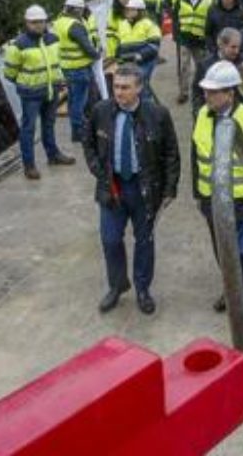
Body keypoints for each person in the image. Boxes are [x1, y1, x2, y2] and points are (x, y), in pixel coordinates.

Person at [81, 63, 179, 315]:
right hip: (112, 188)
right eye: (116, 86)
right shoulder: (101, 111)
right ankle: (117, 285)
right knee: (110, 239)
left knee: (144, 241)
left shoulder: (158, 114)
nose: (119, 92)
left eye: (125, 87)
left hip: (144, 189)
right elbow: (88, 140)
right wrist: (97, 169)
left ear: (139, 88)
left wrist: (169, 189)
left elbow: (171, 154)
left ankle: (143, 289)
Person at [190, 61, 243, 313]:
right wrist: (198, 193)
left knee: (238, 255)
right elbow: (196, 155)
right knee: (221, 251)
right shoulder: (202, 115)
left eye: (213, 92)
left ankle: (240, 302)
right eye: (205, 91)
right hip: (210, 199)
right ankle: (231, 291)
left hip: (240, 202)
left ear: (230, 93)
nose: (207, 96)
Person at [3, 5, 75, 179]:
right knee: (28, 129)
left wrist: (59, 81)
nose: (38, 25)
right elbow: (10, 73)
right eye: (34, 22)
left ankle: (53, 155)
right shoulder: (18, 45)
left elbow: (57, 63)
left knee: (49, 124)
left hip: (51, 90)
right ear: (27, 23)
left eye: (41, 22)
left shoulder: (53, 40)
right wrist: (27, 83)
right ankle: (29, 165)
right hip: (30, 95)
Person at [53, 0, 101, 142]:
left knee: (73, 100)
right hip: (79, 68)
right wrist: (97, 54)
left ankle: (76, 132)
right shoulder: (75, 26)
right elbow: (87, 47)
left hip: (67, 67)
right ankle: (79, 131)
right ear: (77, 10)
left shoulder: (59, 22)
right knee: (80, 101)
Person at [172, 0, 213, 104]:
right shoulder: (180, 1)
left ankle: (204, 91)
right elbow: (175, 19)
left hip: (200, 40)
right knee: (184, 67)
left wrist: (209, 37)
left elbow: (211, 20)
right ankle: (183, 92)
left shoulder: (209, 0)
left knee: (201, 66)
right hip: (185, 39)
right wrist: (176, 36)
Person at [116, 0, 162, 99]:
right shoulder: (122, 24)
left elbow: (154, 46)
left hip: (145, 62)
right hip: (127, 61)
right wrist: (118, 58)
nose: (128, 11)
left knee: (140, 86)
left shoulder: (149, 24)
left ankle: (147, 109)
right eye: (128, 9)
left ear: (140, 11)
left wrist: (140, 55)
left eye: (132, 9)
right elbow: (119, 44)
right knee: (132, 88)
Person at [193, 27, 243, 110]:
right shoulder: (205, 66)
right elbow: (197, 94)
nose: (237, 51)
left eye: (238, 47)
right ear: (221, 45)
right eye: (233, 47)